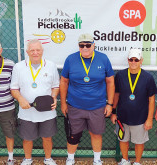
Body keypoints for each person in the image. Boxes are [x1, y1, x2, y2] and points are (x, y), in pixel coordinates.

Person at [60, 33, 115, 165]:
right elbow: (64, 82)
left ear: (93, 45)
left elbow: (110, 82)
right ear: (78, 46)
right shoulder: (71, 59)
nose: (85, 48)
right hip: (75, 105)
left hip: (97, 106)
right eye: (81, 45)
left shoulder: (103, 58)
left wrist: (110, 104)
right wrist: (63, 103)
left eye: (88, 45)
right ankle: (70, 159)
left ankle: (97, 160)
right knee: (73, 135)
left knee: (96, 134)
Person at [10, 39, 59, 165]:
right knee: (27, 138)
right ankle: (27, 159)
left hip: (47, 111)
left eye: (38, 50)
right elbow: (14, 88)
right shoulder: (18, 67)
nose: (35, 52)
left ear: (42, 51)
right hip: (26, 112)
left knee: (47, 137)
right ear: (27, 52)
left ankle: (48, 159)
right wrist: (20, 99)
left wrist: (53, 97)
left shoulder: (51, 65)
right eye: (32, 50)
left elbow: (55, 86)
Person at [110, 49, 157, 165]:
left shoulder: (148, 77)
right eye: (131, 59)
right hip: (122, 117)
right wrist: (113, 112)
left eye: (136, 60)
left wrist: (149, 119)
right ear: (128, 60)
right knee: (122, 139)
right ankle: (125, 160)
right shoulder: (120, 75)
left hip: (140, 118)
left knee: (139, 142)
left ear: (141, 61)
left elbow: (151, 100)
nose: (133, 62)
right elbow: (116, 94)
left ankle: (137, 162)